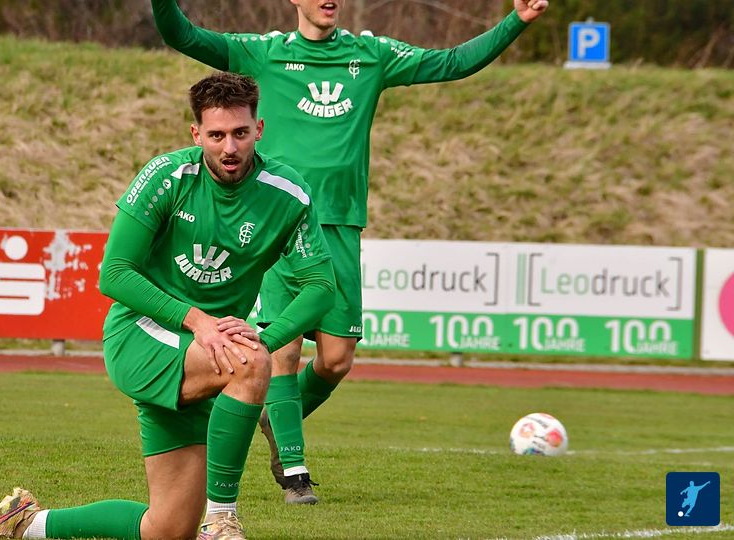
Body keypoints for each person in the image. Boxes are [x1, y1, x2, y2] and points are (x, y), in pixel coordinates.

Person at [151, 0, 550, 504]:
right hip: (276, 220)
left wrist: (516, 21)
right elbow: (182, 35)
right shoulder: (262, 54)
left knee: (337, 360)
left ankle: (275, 419)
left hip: (339, 224)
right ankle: (295, 471)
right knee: (282, 349)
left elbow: (452, 62)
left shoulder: (372, 55)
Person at [0, 72, 335, 540]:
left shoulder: (287, 193)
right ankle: (222, 519)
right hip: (142, 335)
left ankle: (22, 524)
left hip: (209, 351)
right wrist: (199, 321)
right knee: (250, 363)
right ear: (196, 134)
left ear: (259, 129)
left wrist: (265, 338)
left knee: (167, 529)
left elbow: (320, 286)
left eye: (240, 132)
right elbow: (114, 274)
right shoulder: (166, 177)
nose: (229, 147)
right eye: (216, 135)